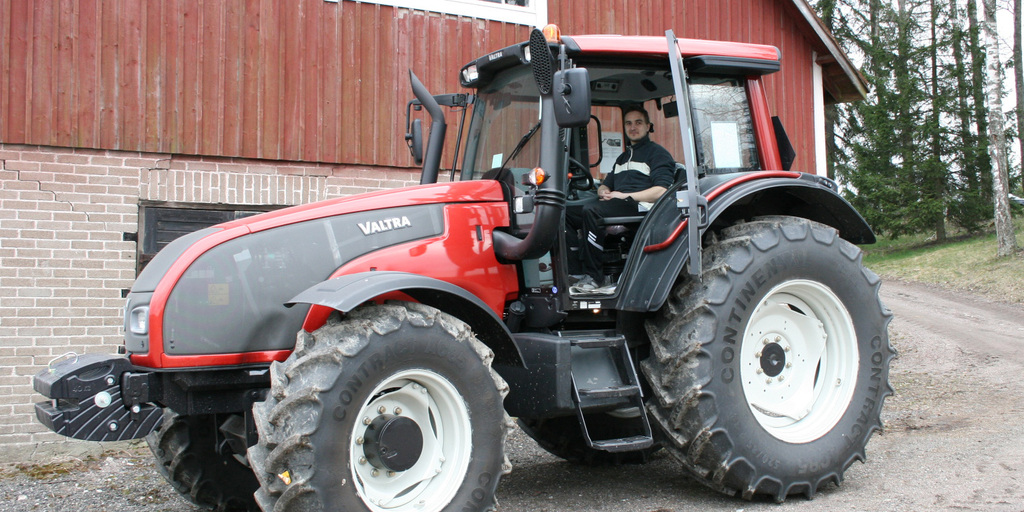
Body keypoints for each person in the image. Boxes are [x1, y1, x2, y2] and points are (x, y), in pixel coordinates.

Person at [567, 105, 676, 295]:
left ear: (648, 126)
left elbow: (661, 191)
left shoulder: (657, 154)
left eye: (638, 123)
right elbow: (605, 184)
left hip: (642, 207)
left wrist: (623, 195)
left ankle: (594, 277)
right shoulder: (622, 158)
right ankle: (575, 272)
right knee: (565, 213)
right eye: (628, 123)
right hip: (619, 203)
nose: (633, 127)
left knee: (591, 211)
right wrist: (604, 191)